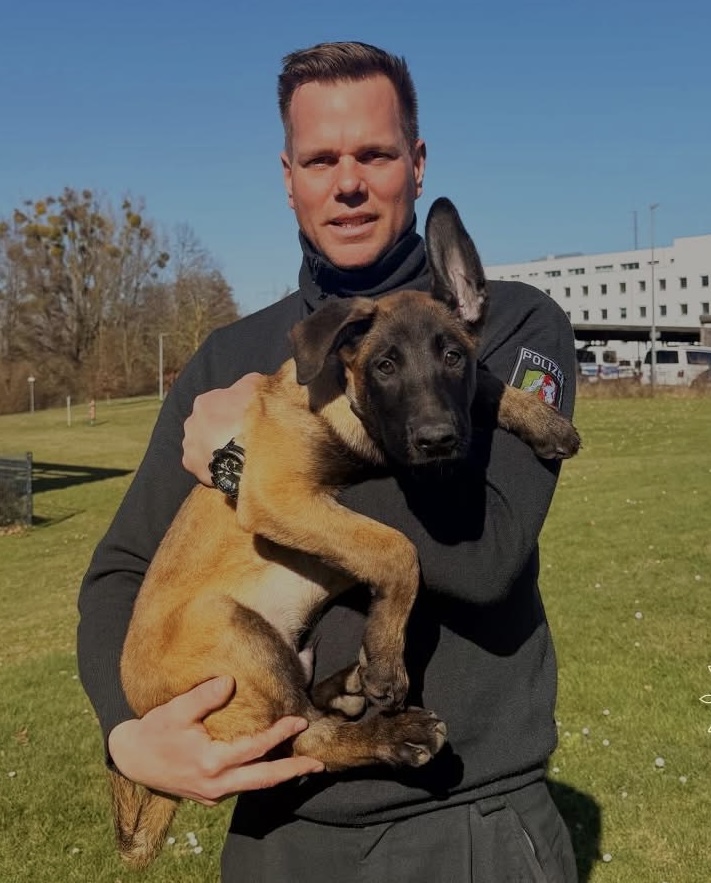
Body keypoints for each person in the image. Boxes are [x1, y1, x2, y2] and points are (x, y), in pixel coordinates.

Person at [78, 41, 579, 881]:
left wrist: (241, 464)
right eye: (320, 159)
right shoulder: (228, 358)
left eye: (374, 154)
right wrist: (123, 733)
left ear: (416, 162)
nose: (347, 182)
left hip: (465, 824)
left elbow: (486, 551)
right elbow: (121, 569)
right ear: (288, 177)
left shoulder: (506, 326)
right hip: (277, 833)